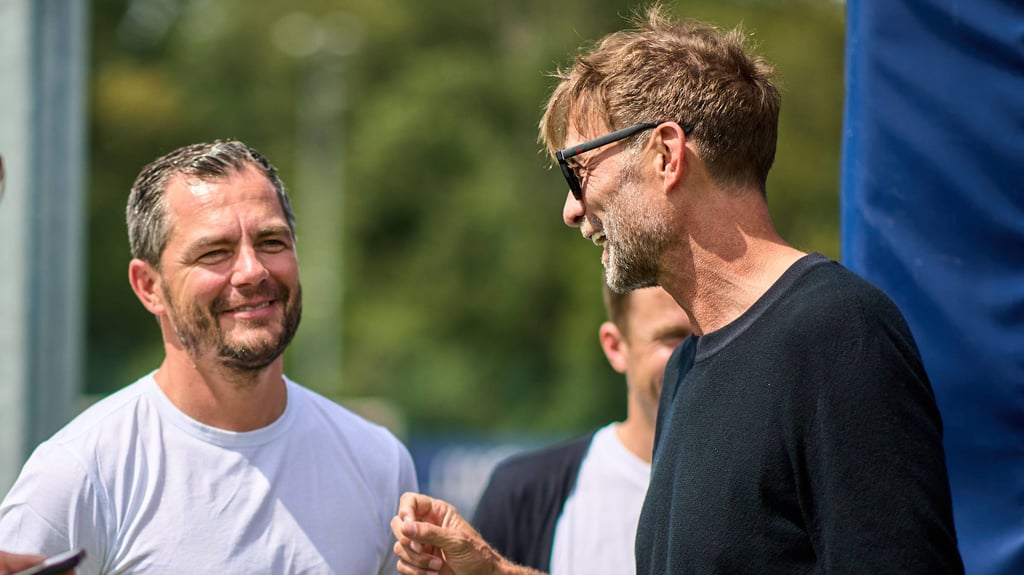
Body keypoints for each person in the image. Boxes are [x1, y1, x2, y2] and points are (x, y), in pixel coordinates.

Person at [392, 5, 963, 574]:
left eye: (579, 169)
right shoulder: (689, 365)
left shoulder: (838, 333)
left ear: (666, 155)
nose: (572, 210)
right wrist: (494, 571)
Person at [0, 140, 417, 574]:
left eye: (271, 241)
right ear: (149, 286)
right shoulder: (79, 474)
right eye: (214, 252)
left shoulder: (379, 464)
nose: (253, 271)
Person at [473, 284, 691, 574]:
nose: (700, 354)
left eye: (713, 335)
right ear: (615, 346)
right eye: (674, 338)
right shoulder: (524, 497)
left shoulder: (764, 488)